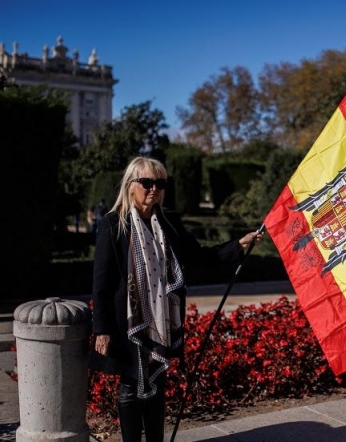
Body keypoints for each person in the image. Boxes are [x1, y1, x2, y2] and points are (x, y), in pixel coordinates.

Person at [90, 157, 262, 441]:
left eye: (160, 183)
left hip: (162, 320)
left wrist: (237, 247)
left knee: (157, 381)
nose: (153, 189)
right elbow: (102, 282)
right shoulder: (113, 224)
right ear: (130, 185)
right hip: (128, 321)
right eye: (146, 182)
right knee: (131, 384)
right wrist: (102, 329)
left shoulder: (168, 222)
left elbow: (198, 255)